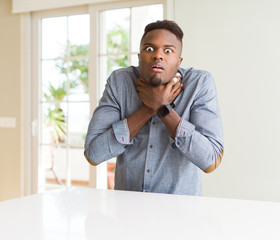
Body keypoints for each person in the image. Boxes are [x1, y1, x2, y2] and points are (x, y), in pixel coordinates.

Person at [84, 20, 224, 195]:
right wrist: (149, 108)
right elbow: (93, 154)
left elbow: (210, 161)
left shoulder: (200, 84)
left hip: (181, 215)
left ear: (178, 61)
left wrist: (163, 108)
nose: (158, 55)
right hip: (128, 211)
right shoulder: (119, 82)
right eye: (149, 49)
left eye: (168, 50)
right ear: (139, 56)